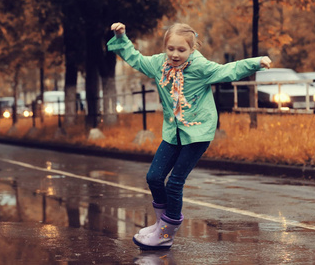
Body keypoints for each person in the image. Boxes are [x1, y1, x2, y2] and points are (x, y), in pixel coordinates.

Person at [108, 22, 271, 250]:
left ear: (191, 50)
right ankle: (159, 225)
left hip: (198, 131)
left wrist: (256, 62)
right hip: (173, 131)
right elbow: (135, 58)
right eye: (171, 49)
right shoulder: (158, 64)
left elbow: (228, 70)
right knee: (154, 177)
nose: (175, 54)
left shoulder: (200, 67)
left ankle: (166, 233)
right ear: (165, 47)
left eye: (182, 50)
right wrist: (121, 37)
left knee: (175, 183)